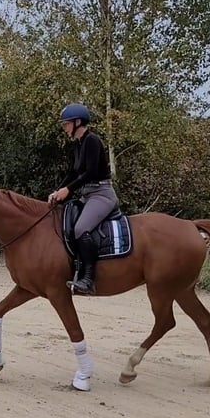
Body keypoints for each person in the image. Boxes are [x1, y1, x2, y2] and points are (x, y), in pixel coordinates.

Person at [48, 102, 119, 295]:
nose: (64, 127)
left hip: (101, 194)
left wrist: (68, 190)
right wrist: (58, 191)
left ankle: (88, 279)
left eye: (66, 124)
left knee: (81, 228)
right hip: (87, 195)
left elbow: (90, 172)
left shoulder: (92, 140)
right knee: (66, 223)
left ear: (78, 122)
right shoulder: (78, 144)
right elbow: (73, 172)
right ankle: (75, 269)